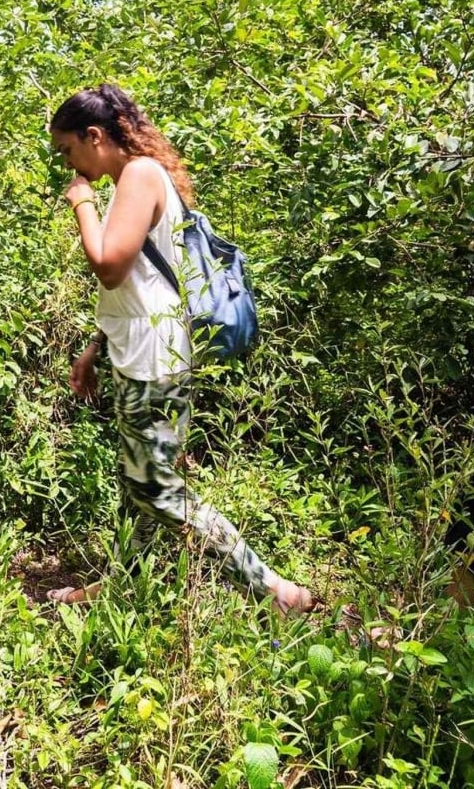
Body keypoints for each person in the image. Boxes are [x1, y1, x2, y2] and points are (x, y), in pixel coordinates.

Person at [44, 84, 312, 615]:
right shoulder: (138, 177)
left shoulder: (139, 176)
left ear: (93, 136)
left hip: (152, 357)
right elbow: (145, 282)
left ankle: (274, 590)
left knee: (159, 490)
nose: (67, 164)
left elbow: (109, 264)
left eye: (68, 149)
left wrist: (83, 205)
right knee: (141, 486)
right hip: (143, 346)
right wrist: (95, 347)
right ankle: (121, 587)